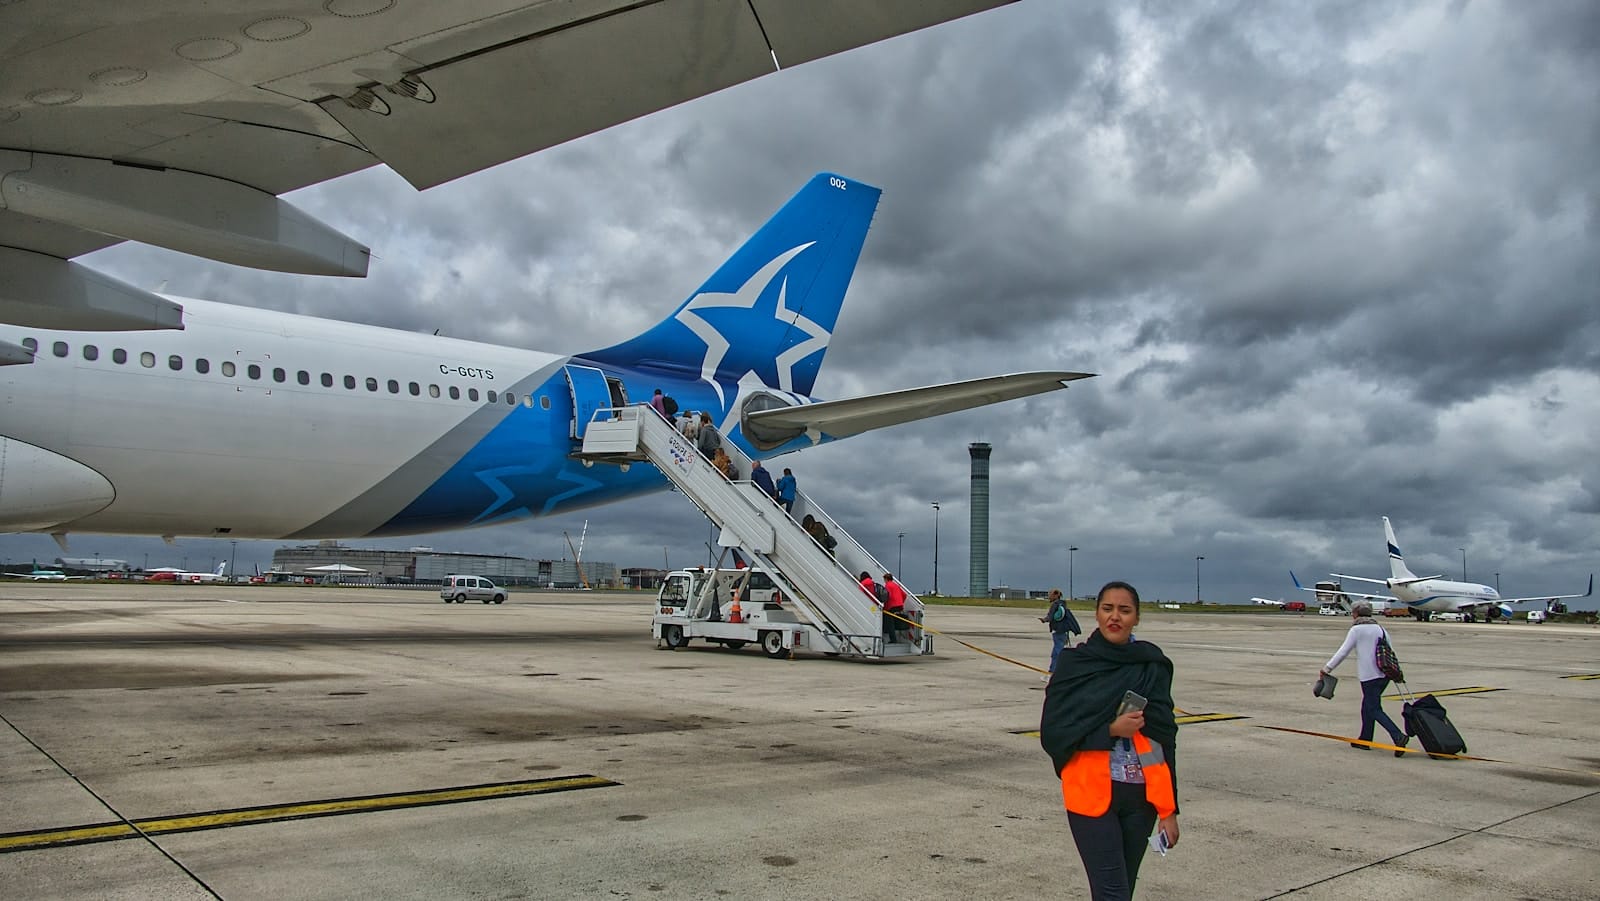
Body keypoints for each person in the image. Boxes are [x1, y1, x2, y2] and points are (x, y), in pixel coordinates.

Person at [1040, 581, 1179, 901]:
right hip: (1091, 794)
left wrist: (1168, 809)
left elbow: (1163, 740)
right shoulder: (1075, 664)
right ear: (1097, 614)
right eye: (1108, 609)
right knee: (1112, 893)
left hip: (1141, 799)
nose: (1115, 616)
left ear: (1136, 618)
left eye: (1124, 610)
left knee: (1122, 890)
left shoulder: (1151, 665)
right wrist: (1111, 730)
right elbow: (1055, 734)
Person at [1318, 602, 1411, 755]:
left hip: (1369, 676)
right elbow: (1391, 652)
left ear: (1356, 613)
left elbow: (1343, 652)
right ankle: (1365, 739)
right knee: (1367, 706)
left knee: (1373, 708)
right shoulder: (1381, 629)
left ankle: (1398, 736)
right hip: (1385, 674)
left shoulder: (1356, 630)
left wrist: (1327, 668)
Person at [1040, 588, 1082, 676]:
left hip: (1058, 632)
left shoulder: (1055, 605)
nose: (1049, 596)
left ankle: (1060, 673)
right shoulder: (1063, 604)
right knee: (1055, 654)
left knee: (1058, 653)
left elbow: (1050, 617)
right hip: (1063, 632)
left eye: (1050, 594)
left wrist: (1044, 620)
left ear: (1055, 595)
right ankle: (1051, 672)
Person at [882, 572, 908, 643]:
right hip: (899, 606)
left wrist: (884, 606)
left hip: (892, 606)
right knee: (892, 620)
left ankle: (893, 639)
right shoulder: (896, 585)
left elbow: (888, 596)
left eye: (884, 579)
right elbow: (904, 595)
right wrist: (901, 602)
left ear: (886, 579)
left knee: (889, 622)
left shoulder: (888, 585)